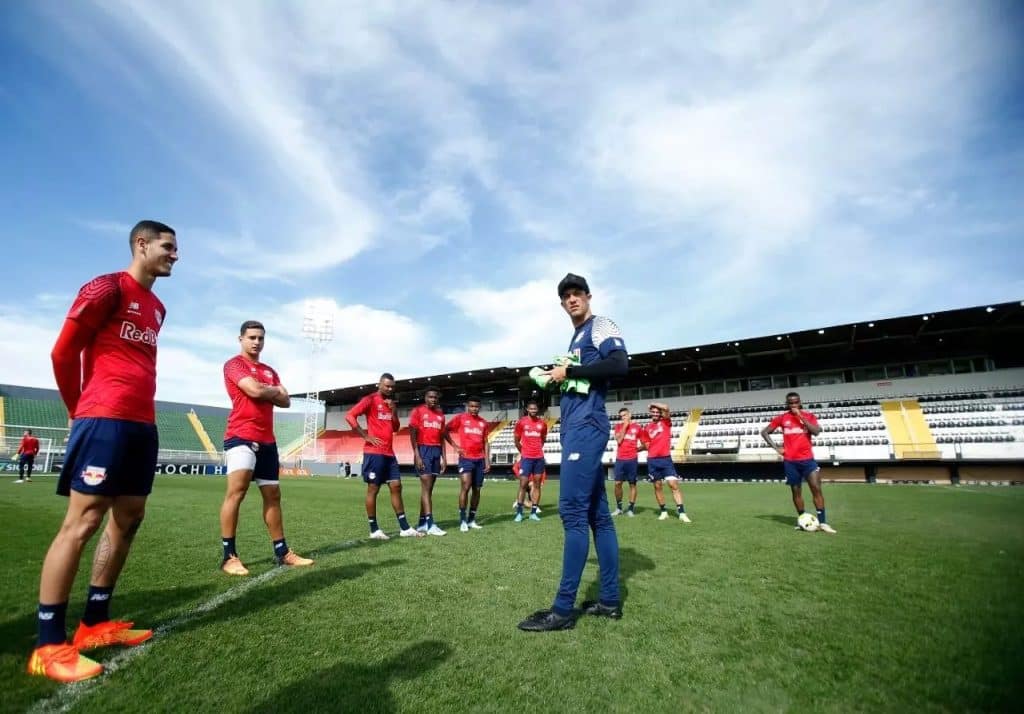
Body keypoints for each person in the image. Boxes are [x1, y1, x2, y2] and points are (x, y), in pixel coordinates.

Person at [29, 221, 176, 682]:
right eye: (168, 247)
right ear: (141, 244)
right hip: (103, 418)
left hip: (141, 424)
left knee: (129, 517)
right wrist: (78, 409)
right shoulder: (106, 287)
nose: (175, 255)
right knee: (83, 521)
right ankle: (48, 644)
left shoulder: (157, 307)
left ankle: (93, 623)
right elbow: (62, 353)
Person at [519, 273, 627, 631]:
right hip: (576, 430)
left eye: (577, 293)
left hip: (586, 429)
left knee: (572, 514)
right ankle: (610, 600)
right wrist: (556, 376)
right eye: (566, 296)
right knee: (599, 517)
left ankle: (563, 610)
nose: (572, 299)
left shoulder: (600, 325)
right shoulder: (576, 337)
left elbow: (619, 363)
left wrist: (572, 370)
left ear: (588, 296)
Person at [218, 321, 314, 576]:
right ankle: (229, 556)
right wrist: (272, 391)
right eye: (251, 337)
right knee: (236, 493)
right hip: (240, 437)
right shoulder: (234, 364)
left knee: (273, 496)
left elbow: (286, 401)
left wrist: (267, 391)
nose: (256, 342)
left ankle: (282, 552)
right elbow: (254, 390)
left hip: (268, 442)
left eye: (260, 338)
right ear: (240, 339)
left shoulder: (270, 370)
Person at [346, 374, 424, 539]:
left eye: (392, 387)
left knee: (396, 486)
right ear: (379, 385)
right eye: (387, 386)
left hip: (389, 453)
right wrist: (365, 436)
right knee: (373, 489)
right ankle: (374, 530)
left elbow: (395, 427)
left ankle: (404, 528)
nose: (389, 389)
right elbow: (350, 416)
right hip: (374, 453)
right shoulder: (370, 400)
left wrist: (393, 411)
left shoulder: (390, 404)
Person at [761, 392, 837, 534]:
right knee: (796, 492)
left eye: (796, 402)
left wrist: (800, 416)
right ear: (787, 404)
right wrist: (777, 448)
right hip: (790, 461)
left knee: (816, 489)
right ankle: (802, 520)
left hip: (808, 460)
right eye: (791, 403)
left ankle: (824, 523)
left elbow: (816, 432)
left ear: (800, 402)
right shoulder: (782, 418)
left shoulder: (809, 416)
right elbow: (764, 432)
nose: (793, 405)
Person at [445, 397, 491, 532]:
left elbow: (486, 442)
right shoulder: (461, 418)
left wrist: (487, 460)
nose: (474, 409)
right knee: (465, 486)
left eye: (476, 406)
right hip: (466, 458)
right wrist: (455, 446)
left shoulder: (483, 423)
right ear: (467, 406)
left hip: (480, 459)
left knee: (477, 489)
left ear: (479, 407)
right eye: (471, 406)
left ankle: (471, 519)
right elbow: (445, 430)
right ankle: (463, 520)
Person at [641, 403, 691, 522]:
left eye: (657, 412)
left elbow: (667, 407)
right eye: (653, 412)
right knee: (657, 486)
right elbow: (647, 445)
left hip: (665, 459)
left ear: (660, 413)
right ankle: (663, 511)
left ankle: (682, 513)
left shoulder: (666, 422)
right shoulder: (646, 428)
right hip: (652, 460)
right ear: (650, 414)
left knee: (673, 485)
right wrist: (637, 448)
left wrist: (652, 404)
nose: (655, 414)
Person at [408, 387, 447, 536]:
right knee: (426, 486)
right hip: (423, 451)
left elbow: (442, 437)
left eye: (435, 397)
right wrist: (417, 455)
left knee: (428, 490)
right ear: (425, 397)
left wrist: (444, 457)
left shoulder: (440, 415)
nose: (433, 399)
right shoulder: (417, 412)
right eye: (430, 397)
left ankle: (422, 523)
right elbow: (412, 435)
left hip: (436, 451)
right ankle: (431, 524)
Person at [513, 400, 547, 522]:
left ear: (537, 410)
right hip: (526, 458)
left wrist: (537, 450)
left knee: (537, 485)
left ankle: (533, 512)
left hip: (539, 458)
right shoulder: (521, 423)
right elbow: (516, 440)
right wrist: (524, 452)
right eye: (531, 408)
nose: (533, 410)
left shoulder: (542, 424)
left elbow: (543, 439)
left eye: (535, 409)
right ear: (527, 409)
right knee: (523, 484)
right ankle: (519, 513)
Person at [611, 409, 642, 516]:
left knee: (632, 484)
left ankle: (630, 509)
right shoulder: (618, 427)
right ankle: (619, 508)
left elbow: (645, 443)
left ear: (630, 414)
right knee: (617, 483)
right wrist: (625, 426)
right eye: (621, 416)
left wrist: (637, 449)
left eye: (624, 415)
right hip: (620, 459)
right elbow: (619, 440)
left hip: (632, 459)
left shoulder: (638, 427)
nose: (623, 417)